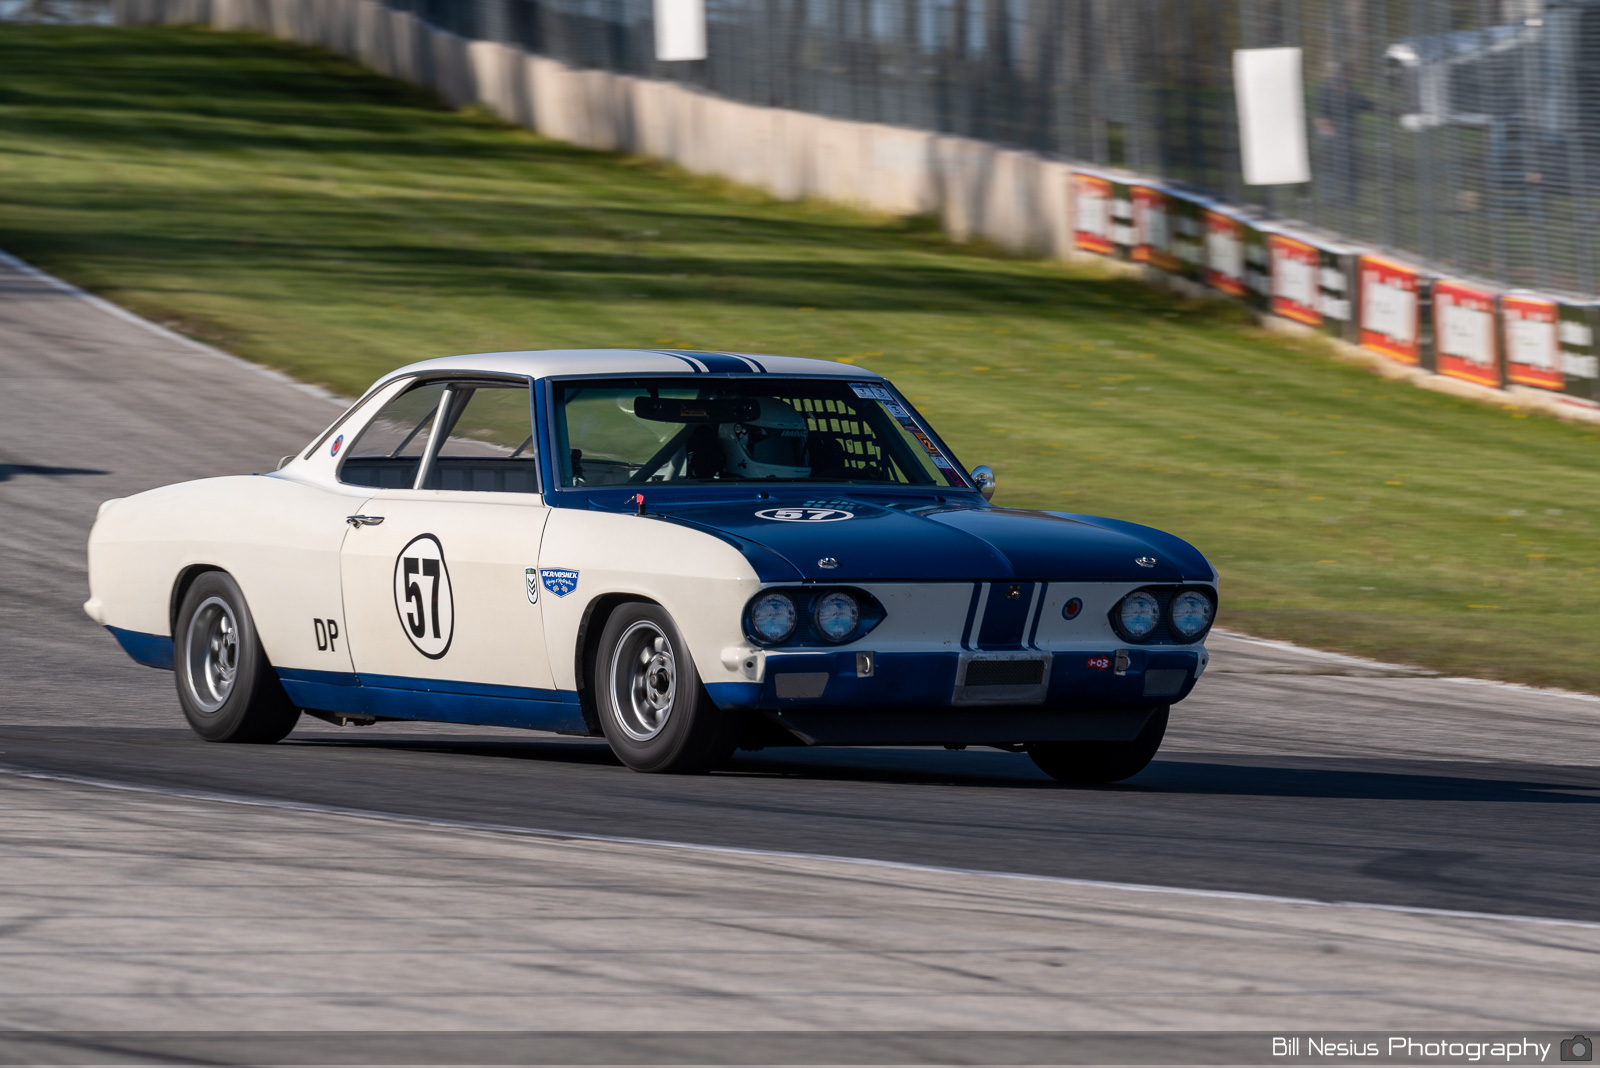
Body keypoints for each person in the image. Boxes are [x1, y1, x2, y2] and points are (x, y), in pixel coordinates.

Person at [1314, 62, 1375, 207]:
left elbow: (1365, 104)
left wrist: (1392, 111)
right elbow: (1322, 114)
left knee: (1350, 168)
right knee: (1329, 166)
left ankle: (1349, 200)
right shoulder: (1328, 88)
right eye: (1346, 72)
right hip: (1332, 134)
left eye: (1349, 73)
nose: (1348, 76)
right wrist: (1328, 131)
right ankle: (1328, 199)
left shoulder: (1350, 90)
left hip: (1348, 134)